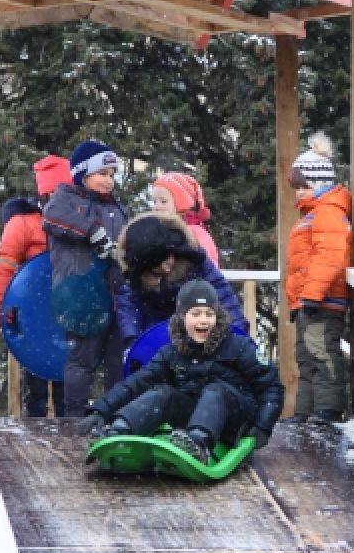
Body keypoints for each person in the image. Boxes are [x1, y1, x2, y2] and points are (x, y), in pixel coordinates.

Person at [77, 280, 283, 464]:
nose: (203, 321)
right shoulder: (172, 352)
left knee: (216, 390)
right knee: (162, 392)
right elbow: (138, 382)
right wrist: (101, 409)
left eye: (209, 314)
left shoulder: (238, 347)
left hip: (233, 420)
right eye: (196, 314)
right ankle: (119, 432)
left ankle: (198, 444)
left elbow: (271, 385)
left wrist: (262, 427)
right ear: (183, 317)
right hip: (193, 416)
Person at [42, 139, 129, 418]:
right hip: (81, 295)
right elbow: (53, 218)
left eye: (112, 175)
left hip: (114, 295)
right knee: (83, 359)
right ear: (83, 173)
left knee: (116, 359)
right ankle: (74, 416)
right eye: (102, 174)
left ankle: (115, 414)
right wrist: (92, 231)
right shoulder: (65, 199)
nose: (109, 180)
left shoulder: (117, 209)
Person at [0, 154, 71, 417]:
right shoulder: (22, 224)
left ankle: (66, 427)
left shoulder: (75, 223)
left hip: (65, 309)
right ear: (45, 194)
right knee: (35, 375)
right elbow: (5, 268)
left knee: (66, 376)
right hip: (32, 310)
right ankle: (34, 428)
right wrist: (2, 306)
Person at [285, 133, 352, 424]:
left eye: (303, 186)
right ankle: (304, 411)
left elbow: (331, 255)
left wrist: (312, 294)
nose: (298, 192)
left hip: (323, 299)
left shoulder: (328, 212)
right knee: (306, 357)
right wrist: (297, 300)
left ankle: (328, 409)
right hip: (308, 300)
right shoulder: (310, 215)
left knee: (321, 353)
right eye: (296, 187)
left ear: (320, 183)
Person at [114, 212, 249, 346]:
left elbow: (221, 293)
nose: (165, 268)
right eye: (156, 267)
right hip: (155, 336)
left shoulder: (193, 259)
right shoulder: (134, 277)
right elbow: (128, 307)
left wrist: (239, 333)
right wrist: (132, 340)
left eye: (167, 260)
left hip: (197, 329)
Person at [151, 171, 219, 265]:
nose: (156, 207)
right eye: (154, 202)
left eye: (163, 201)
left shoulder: (196, 233)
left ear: (181, 204)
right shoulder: (158, 231)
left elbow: (209, 268)